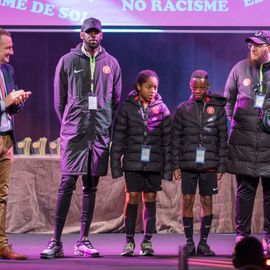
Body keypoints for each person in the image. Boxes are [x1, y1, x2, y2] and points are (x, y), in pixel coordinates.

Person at [40, 17, 122, 259]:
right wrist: (72, 122)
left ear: (102, 35)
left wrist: (103, 122)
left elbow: (114, 100)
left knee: (91, 187)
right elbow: (59, 102)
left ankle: (83, 241)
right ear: (81, 34)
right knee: (66, 186)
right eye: (89, 32)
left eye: (97, 32)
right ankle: (55, 241)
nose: (93, 35)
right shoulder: (67, 61)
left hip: (98, 134)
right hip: (74, 134)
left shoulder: (112, 63)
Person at [110, 70, 172, 256]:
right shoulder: (127, 107)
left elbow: (168, 140)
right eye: (148, 87)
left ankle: (147, 242)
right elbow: (118, 138)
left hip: (154, 163)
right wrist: (115, 167)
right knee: (133, 197)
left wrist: (167, 169)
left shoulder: (162, 108)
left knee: (150, 199)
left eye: (155, 87)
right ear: (138, 87)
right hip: (133, 162)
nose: (153, 90)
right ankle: (129, 241)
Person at [172, 70, 227, 256]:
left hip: (209, 165)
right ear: (190, 85)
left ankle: (203, 243)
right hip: (187, 165)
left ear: (207, 87)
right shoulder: (182, 108)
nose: (198, 90)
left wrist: (221, 166)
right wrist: (176, 165)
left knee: (207, 200)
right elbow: (175, 138)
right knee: (187, 200)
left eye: (202, 87)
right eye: (195, 87)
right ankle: (189, 242)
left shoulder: (218, 109)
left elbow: (222, 139)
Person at [224, 30, 270, 254]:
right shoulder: (239, 68)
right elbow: (228, 100)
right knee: (245, 192)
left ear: (268, 48)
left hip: (269, 143)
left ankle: (268, 238)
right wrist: (237, 124)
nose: (252, 48)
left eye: (258, 45)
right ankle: (242, 236)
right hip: (243, 141)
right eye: (250, 44)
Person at [0, 28, 31, 259]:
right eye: (7, 47)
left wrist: (17, 101)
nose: (12, 52)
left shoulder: (8, 70)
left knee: (2, 196)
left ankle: (1, 244)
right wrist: (5, 102)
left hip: (6, 139)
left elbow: (10, 103)